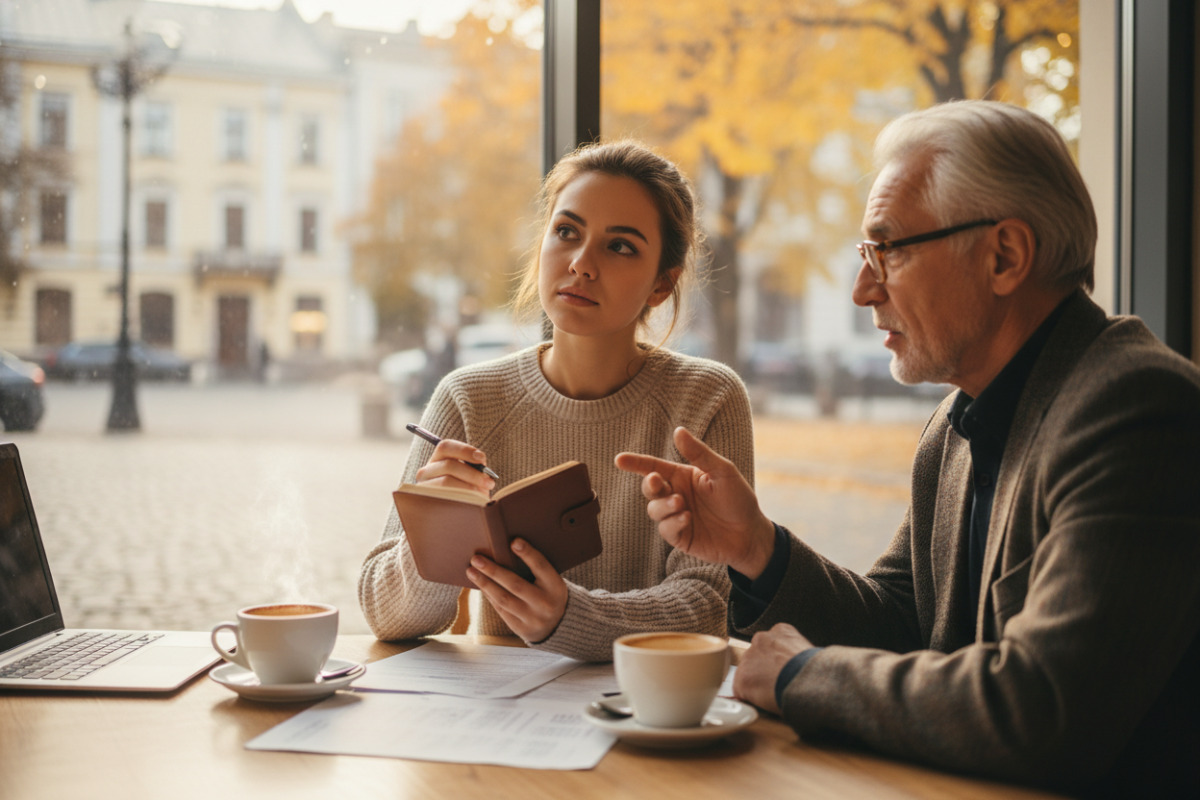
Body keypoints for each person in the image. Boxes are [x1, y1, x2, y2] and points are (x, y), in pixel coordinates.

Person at [616, 101, 1200, 797]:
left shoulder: (1139, 407)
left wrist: (804, 676)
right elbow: (901, 627)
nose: (864, 289)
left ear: (1004, 256)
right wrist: (757, 549)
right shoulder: (959, 422)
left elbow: (1043, 708)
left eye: (887, 250)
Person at [359, 140, 755, 662]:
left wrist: (569, 618)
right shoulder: (469, 399)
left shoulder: (708, 399)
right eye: (567, 232)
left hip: (648, 706)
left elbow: (707, 605)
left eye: (620, 246)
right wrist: (435, 535)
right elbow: (386, 618)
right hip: (503, 718)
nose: (581, 264)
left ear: (663, 284)